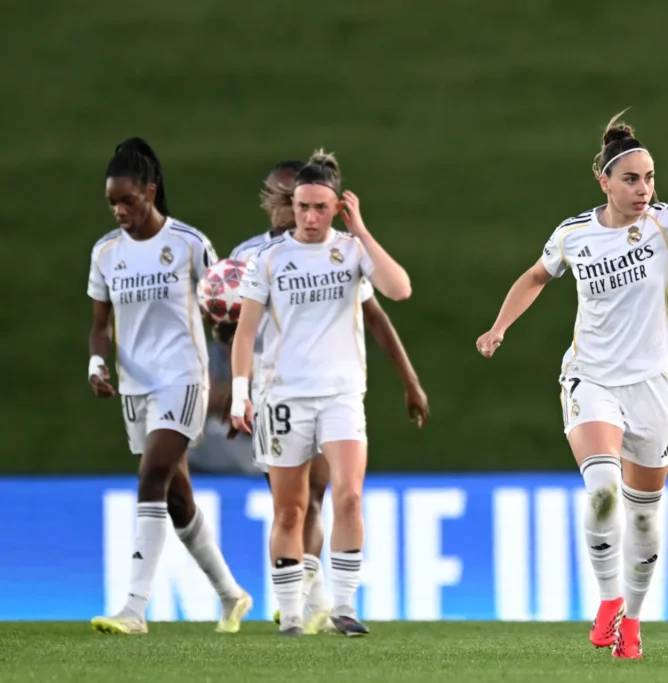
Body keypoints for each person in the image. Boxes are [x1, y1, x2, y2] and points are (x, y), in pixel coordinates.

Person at [476, 111, 668, 659]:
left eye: (649, 178)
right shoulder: (574, 234)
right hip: (591, 377)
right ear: (605, 181)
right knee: (602, 490)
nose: (644, 189)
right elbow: (536, 276)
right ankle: (608, 601)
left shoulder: (667, 224)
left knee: (643, 514)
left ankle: (633, 623)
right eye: (631, 179)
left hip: (652, 384)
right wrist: (500, 326)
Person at [220, 160, 429, 632]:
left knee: (349, 496)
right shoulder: (269, 259)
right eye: (302, 207)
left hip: (341, 395)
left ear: (336, 208)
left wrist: (362, 231)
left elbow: (399, 290)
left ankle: (345, 607)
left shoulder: (352, 251)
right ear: (292, 206)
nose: (309, 217)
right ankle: (291, 613)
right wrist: (240, 395)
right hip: (284, 397)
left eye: (320, 208)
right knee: (290, 509)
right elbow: (245, 332)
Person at [86, 137, 253, 635]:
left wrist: (236, 368)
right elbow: (100, 325)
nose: (120, 210)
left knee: (152, 475)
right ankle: (232, 594)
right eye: (112, 203)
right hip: (135, 385)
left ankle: (134, 609)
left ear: (150, 192)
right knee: (177, 499)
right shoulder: (105, 253)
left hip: (182, 379)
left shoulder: (188, 244)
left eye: (127, 200)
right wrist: (96, 364)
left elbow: (223, 307)